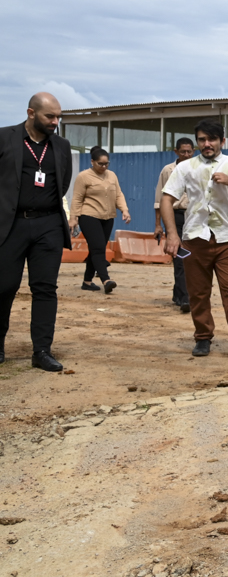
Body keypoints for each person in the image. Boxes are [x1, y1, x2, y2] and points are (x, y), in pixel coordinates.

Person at [160, 119, 228, 360]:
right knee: (198, 292)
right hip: (194, 238)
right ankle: (202, 337)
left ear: (222, 141)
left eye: (212, 139)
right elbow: (167, 199)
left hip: (227, 239)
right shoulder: (185, 167)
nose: (207, 144)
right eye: (202, 140)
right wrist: (172, 234)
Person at [0, 92, 72, 371]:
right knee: (4, 286)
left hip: (48, 225)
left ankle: (42, 351)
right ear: (31, 113)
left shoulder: (61, 145)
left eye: (58, 117)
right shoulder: (5, 137)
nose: (55, 122)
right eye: (49, 116)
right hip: (11, 224)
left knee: (45, 288)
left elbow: (63, 183)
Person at [70, 146, 131, 295]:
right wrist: (73, 218)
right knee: (98, 248)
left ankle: (87, 281)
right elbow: (77, 198)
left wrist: (124, 210)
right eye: (100, 164)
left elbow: (118, 194)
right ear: (92, 162)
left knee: (96, 248)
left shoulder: (112, 175)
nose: (104, 167)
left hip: (108, 217)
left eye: (106, 164)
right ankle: (106, 280)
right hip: (89, 216)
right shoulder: (83, 176)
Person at [154, 138, 195, 312]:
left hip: (194, 218)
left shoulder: (199, 169)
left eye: (189, 151)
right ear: (176, 152)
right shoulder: (168, 171)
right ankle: (185, 298)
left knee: (193, 258)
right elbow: (159, 199)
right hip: (175, 217)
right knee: (180, 257)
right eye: (183, 151)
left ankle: (179, 292)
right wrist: (158, 225)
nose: (186, 155)